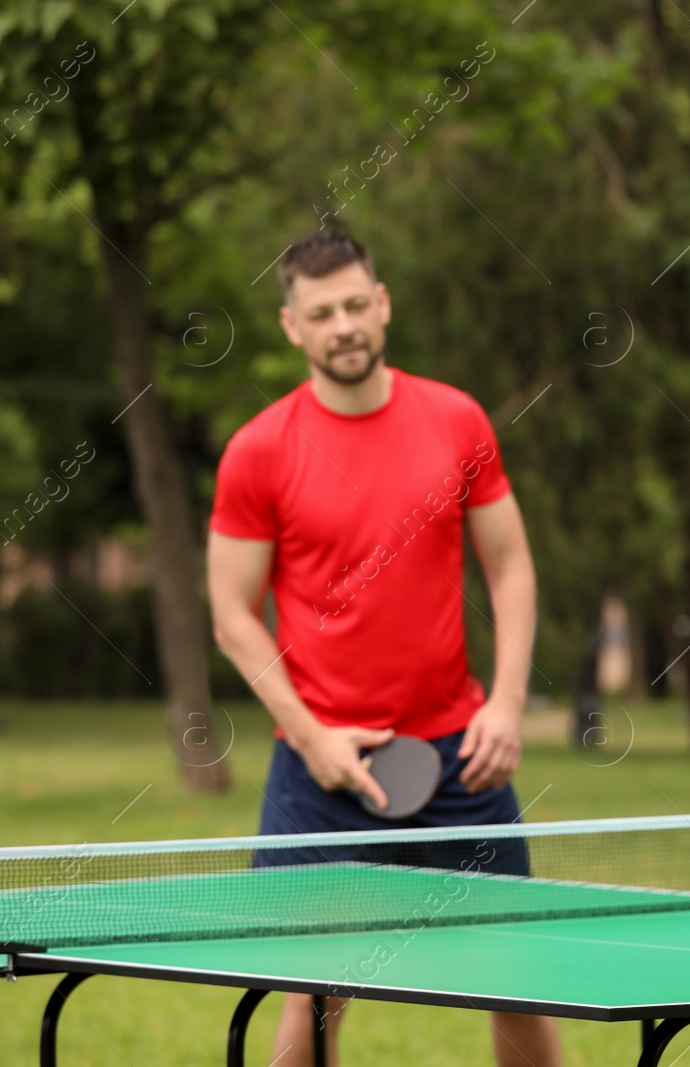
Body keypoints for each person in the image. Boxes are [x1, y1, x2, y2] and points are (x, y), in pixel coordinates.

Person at [207, 231, 561, 1066]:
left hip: (460, 757)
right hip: (321, 768)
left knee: (521, 981)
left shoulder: (457, 419)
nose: (344, 325)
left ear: (384, 303)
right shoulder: (260, 449)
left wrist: (506, 702)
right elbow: (231, 613)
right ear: (292, 325)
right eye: (322, 312)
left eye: (356, 304)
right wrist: (310, 732)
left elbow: (509, 566)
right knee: (313, 997)